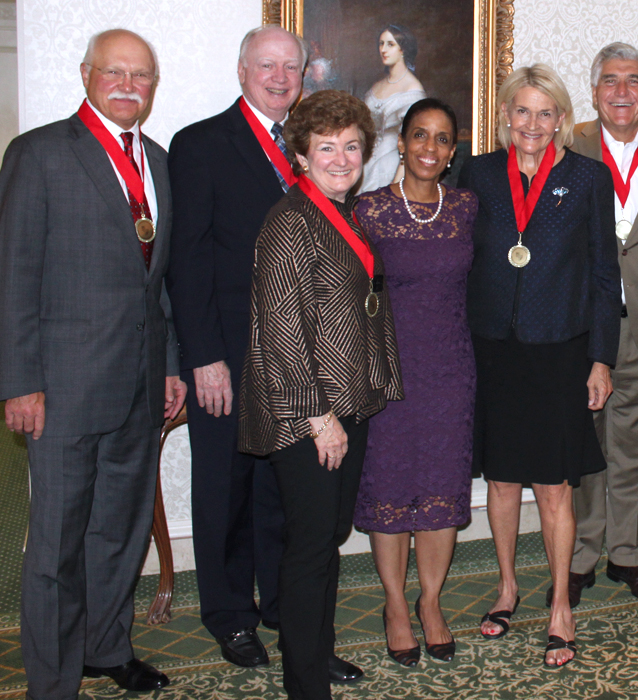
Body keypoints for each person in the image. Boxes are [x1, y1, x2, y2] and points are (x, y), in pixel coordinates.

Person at [0, 28, 185, 697]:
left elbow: (157, 284)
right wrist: (19, 382)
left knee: (119, 532)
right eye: (116, 72)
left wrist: (168, 364)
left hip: (138, 387)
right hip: (63, 390)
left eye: (141, 75)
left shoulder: (159, 163)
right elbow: (14, 276)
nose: (129, 85)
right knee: (53, 546)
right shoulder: (40, 154)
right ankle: (52, 681)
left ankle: (106, 646)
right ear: (87, 75)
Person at [238, 89, 403, 700]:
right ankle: (305, 683)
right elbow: (281, 325)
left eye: (351, 146)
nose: (340, 158)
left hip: (345, 403)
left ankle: (314, 650)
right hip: (307, 411)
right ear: (301, 155)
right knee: (311, 547)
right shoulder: (289, 221)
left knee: (327, 536)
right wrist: (316, 416)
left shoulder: (343, 211)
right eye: (326, 147)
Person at [460, 64, 621, 668]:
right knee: (501, 480)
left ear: (561, 118)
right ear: (505, 116)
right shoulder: (476, 173)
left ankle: (560, 605)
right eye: (521, 111)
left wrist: (601, 358)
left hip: (560, 349)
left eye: (544, 112)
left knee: (554, 487)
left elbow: (607, 277)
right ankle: (507, 587)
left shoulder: (587, 178)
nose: (532, 123)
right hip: (493, 348)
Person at [165, 25, 305, 670]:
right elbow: (185, 262)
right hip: (225, 354)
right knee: (225, 488)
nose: (279, 78)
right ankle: (229, 615)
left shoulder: (311, 148)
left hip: (295, 356)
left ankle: (281, 607)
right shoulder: (200, 144)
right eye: (267, 66)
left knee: (282, 490)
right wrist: (203, 357)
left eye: (292, 68)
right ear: (242, 69)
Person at [353, 98, 477, 666]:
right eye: (419, 136)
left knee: (440, 487)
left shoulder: (469, 208)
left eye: (442, 138)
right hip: (388, 371)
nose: (430, 147)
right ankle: (395, 604)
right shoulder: (367, 211)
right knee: (391, 486)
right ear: (400, 142)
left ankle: (431, 602)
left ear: (454, 151)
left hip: (451, 368)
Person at [565, 42, 638, 606]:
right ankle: (582, 555)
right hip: (582, 330)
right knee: (585, 449)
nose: (621, 91)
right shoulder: (567, 146)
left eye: (633, 81)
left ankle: (629, 555)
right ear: (594, 91)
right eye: (610, 81)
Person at [360, 24, 426, 192]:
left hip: (391, 166)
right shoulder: (377, 85)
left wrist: (394, 189)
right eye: (381, 44)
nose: (383, 49)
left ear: (402, 49)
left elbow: (413, 145)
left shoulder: (412, 90)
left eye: (390, 44)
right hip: (365, 164)